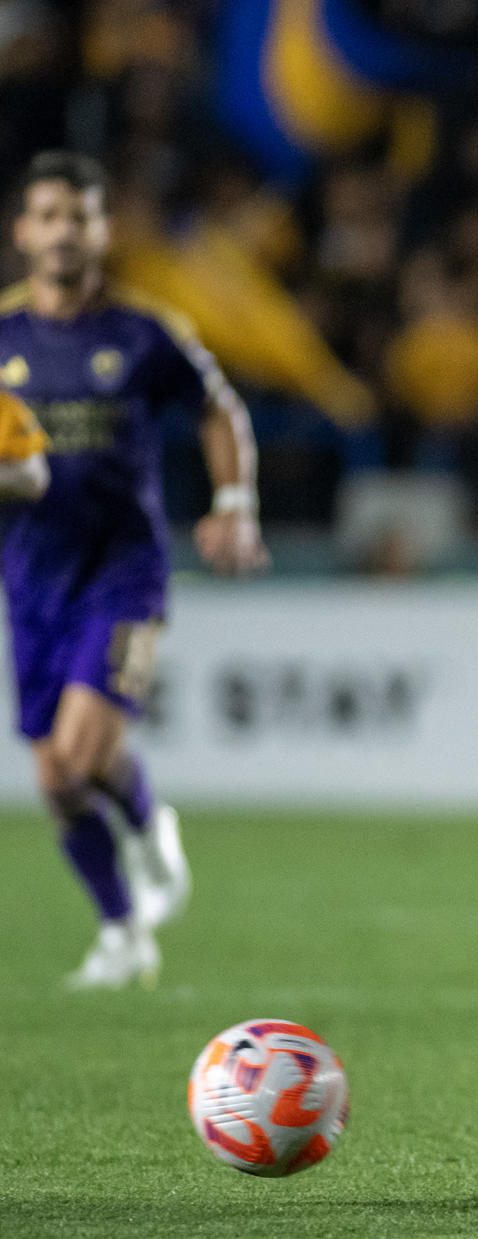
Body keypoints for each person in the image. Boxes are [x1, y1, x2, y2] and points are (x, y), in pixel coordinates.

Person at [1, 151, 267, 990]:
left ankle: (151, 828)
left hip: (124, 568)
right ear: (22, 232)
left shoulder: (141, 331)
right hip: (32, 573)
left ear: (102, 230)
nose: (62, 232)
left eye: (77, 215)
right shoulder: (2, 336)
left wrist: (233, 499)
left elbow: (218, 406)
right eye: (47, 215)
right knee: (54, 777)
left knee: (80, 752)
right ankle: (123, 930)